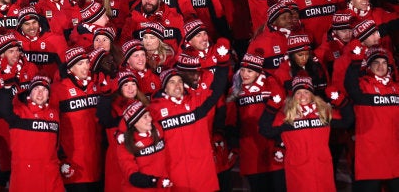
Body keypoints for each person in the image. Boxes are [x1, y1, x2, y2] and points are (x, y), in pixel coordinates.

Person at [148, 46, 229, 191]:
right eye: (172, 82)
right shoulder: (155, 111)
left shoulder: (195, 103)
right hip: (176, 177)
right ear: (164, 87)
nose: (177, 85)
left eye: (179, 81)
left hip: (202, 176)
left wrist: (223, 64)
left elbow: (216, 90)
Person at [259, 73, 353, 192]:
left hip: (322, 169)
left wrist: (339, 98)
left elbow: (347, 121)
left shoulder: (323, 113)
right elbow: (265, 130)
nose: (302, 96)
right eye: (298, 93)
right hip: (299, 172)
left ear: (312, 95)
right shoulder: (285, 116)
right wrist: (272, 106)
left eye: (306, 92)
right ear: (293, 96)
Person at [0, 32, 38, 190]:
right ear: (1, 54)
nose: (16, 54)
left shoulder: (30, 69)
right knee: (6, 172)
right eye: (11, 51)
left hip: (27, 128)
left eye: (17, 50)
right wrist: (9, 110)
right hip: (1, 132)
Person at [225, 48, 285, 192]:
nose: (245, 75)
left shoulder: (271, 86)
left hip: (273, 146)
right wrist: (233, 143)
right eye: (243, 70)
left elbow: (282, 109)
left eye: (250, 71)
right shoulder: (235, 91)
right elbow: (230, 120)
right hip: (250, 148)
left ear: (259, 72)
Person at [344, 46, 399, 191]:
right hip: (370, 157)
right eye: (376, 63)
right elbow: (349, 84)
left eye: (384, 63)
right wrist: (356, 62)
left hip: (394, 154)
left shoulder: (396, 88)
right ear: (369, 66)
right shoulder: (363, 85)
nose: (381, 66)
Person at [0, 75, 63, 191]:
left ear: (48, 96)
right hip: (25, 177)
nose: (40, 93)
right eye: (36, 89)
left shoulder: (54, 114)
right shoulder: (19, 112)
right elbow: (3, 108)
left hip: (50, 176)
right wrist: (7, 87)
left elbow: (56, 144)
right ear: (30, 93)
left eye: (45, 90)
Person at [50, 47, 103, 191]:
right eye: (80, 64)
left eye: (87, 62)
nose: (85, 67)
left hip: (97, 160)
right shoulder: (58, 90)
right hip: (73, 162)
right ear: (70, 68)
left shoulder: (97, 86)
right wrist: (60, 155)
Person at [96, 70, 148, 190]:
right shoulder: (113, 108)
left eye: (133, 84)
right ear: (119, 88)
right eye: (125, 85)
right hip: (117, 161)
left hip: (141, 159)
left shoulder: (144, 105)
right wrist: (106, 95)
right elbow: (103, 117)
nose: (130, 88)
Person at [116, 101, 172, 190]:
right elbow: (132, 176)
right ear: (134, 122)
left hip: (162, 186)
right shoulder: (125, 144)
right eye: (145, 117)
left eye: (149, 115)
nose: (150, 119)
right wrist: (155, 181)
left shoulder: (157, 129)